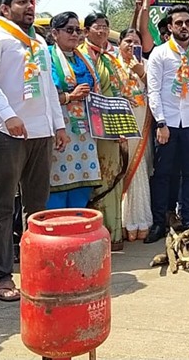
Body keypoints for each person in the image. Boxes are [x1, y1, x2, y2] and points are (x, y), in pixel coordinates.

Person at [0, 0, 68, 301]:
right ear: (4, 8)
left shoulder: (39, 42)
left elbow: (49, 88)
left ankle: (36, 268)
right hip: (6, 131)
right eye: (20, 2)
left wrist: (59, 125)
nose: (29, 6)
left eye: (31, 1)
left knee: (37, 205)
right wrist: (8, 115)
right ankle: (2, 275)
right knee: (1, 205)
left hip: (40, 132)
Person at [145, 5, 189, 243]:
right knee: (163, 174)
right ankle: (159, 221)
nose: (184, 26)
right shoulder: (160, 54)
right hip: (168, 122)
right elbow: (153, 91)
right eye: (179, 23)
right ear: (170, 27)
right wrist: (161, 123)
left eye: (187, 22)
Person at [79, 13, 130, 250]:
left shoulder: (112, 58)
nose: (101, 31)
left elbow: (121, 91)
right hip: (87, 128)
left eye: (105, 27)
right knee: (93, 179)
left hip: (112, 125)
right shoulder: (79, 55)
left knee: (112, 175)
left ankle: (113, 233)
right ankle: (93, 233)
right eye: (97, 27)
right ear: (86, 30)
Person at [46, 12, 100, 209]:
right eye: (69, 30)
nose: (75, 34)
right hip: (61, 128)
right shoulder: (47, 57)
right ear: (54, 33)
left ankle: (78, 225)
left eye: (78, 30)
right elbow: (46, 96)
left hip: (85, 130)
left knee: (84, 178)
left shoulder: (85, 59)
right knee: (58, 181)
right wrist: (71, 96)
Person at [116, 28, 153, 241]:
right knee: (121, 169)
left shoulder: (146, 64)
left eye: (136, 42)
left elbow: (155, 89)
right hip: (119, 125)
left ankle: (141, 220)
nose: (131, 45)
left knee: (139, 170)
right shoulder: (112, 64)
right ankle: (121, 222)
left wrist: (140, 71)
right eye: (127, 41)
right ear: (119, 44)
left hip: (142, 123)